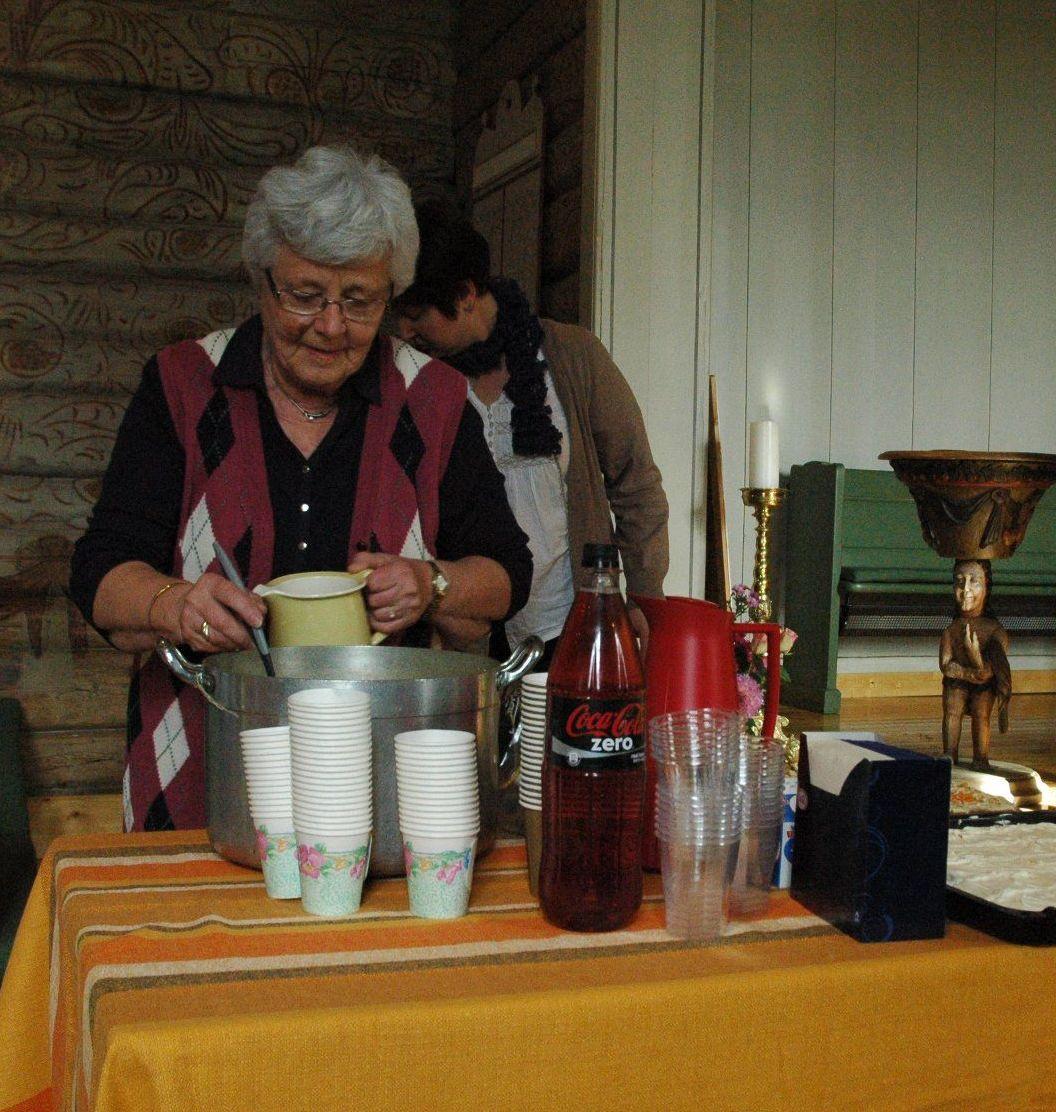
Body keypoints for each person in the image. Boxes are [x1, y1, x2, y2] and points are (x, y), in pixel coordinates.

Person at [70, 146, 532, 832]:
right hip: (202, 773)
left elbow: (507, 573)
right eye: (306, 295)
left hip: (388, 788)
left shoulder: (434, 399)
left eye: (360, 300)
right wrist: (178, 604)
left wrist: (431, 584)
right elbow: (100, 573)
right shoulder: (182, 384)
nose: (332, 325)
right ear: (262, 280)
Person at [391, 201, 668, 669]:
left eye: (417, 314)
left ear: (466, 295)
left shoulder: (572, 355)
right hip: (468, 634)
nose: (404, 329)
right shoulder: (419, 381)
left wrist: (644, 595)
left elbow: (635, 482)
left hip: (573, 624)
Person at [939, 558, 1011, 770]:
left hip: (983, 686)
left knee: (981, 715)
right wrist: (970, 672)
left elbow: (989, 671)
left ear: (987, 586)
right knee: (952, 712)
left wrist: (974, 655)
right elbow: (946, 665)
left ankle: (981, 759)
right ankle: (949, 754)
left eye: (974, 581)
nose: (966, 589)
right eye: (959, 581)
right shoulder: (951, 630)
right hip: (957, 683)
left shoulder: (995, 631)